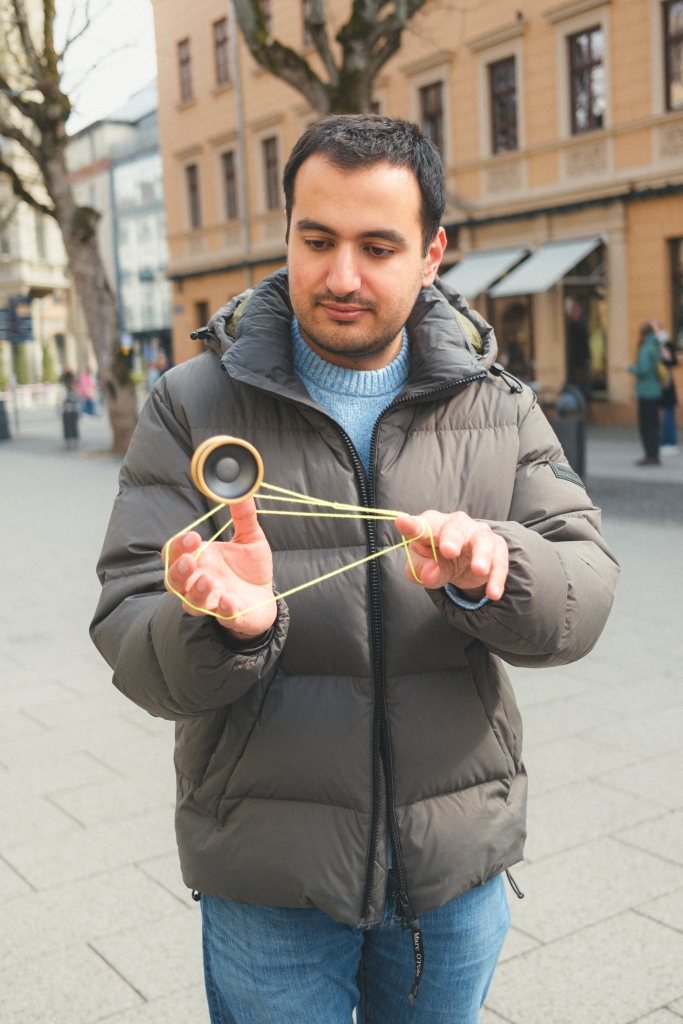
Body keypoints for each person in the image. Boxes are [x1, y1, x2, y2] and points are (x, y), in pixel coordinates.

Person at [91, 116, 619, 1024]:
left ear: (431, 254)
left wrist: (494, 571)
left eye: (378, 247)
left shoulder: (496, 401)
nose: (341, 277)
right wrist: (219, 620)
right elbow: (130, 627)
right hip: (269, 874)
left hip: (451, 872)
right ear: (286, 232)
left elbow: (586, 586)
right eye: (317, 240)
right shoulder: (190, 403)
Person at [629, 323, 664, 465]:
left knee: (646, 426)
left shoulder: (645, 349)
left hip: (646, 392)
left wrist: (630, 368)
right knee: (654, 425)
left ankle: (649, 455)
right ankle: (655, 454)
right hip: (656, 390)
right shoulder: (656, 346)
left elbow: (643, 370)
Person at [656, 327, 679, 455]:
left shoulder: (666, 346)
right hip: (664, 388)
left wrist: (664, 351)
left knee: (668, 415)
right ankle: (667, 442)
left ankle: (670, 443)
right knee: (666, 415)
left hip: (667, 388)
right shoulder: (662, 347)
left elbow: (672, 361)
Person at [61, 370, 80, 448]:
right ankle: (70, 440)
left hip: (72, 411)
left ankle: (73, 440)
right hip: (67, 411)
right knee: (68, 426)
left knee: (72, 426)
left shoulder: (74, 392)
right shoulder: (65, 390)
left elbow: (77, 400)